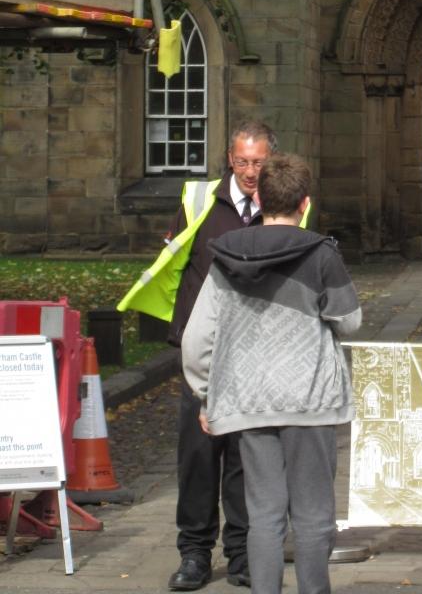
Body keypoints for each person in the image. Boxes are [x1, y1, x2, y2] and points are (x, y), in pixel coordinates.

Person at [182, 154, 361, 594]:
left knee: (263, 515)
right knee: (314, 515)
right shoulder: (321, 254)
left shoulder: (226, 256)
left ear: (258, 199)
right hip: (310, 400)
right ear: (305, 203)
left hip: (250, 398)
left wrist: (206, 393)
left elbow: (196, 339)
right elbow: (349, 320)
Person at [118, 119, 284, 592]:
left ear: (271, 160)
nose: (250, 172)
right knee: (198, 457)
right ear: (230, 159)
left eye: (259, 163)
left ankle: (241, 554)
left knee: (244, 457)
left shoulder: (284, 205)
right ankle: (193, 553)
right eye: (243, 162)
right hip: (204, 351)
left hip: (254, 353)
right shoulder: (199, 201)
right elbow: (177, 263)